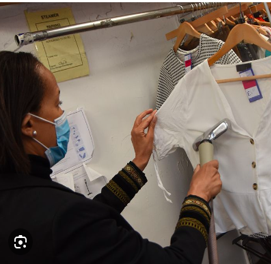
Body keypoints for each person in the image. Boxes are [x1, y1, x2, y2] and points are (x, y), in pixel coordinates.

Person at [0, 51, 222, 264]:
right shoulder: (62, 215)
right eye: (57, 104)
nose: (61, 114)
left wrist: (138, 162)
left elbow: (86, 223)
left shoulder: (20, 198)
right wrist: (197, 198)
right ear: (29, 125)